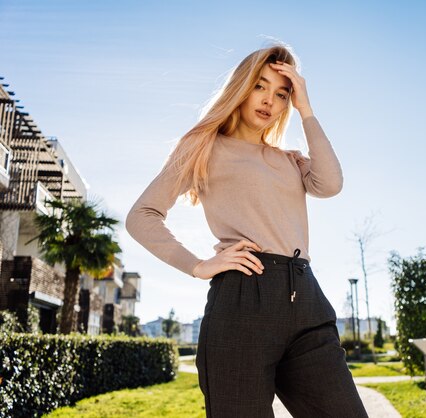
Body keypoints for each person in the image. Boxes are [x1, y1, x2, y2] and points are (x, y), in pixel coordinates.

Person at [125, 43, 369, 418]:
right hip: (242, 301)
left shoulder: (290, 160)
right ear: (241, 86)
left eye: (281, 93)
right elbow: (142, 214)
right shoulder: (203, 146)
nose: (269, 100)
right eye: (260, 85)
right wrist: (198, 265)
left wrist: (307, 108)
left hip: (306, 300)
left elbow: (331, 184)